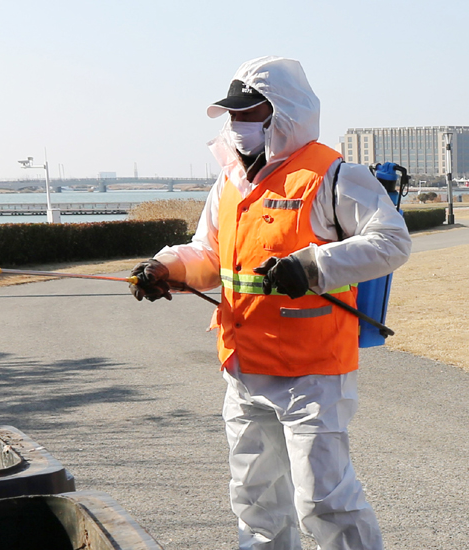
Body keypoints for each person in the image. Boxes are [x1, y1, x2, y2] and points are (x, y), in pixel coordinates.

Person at [130, 56, 411, 549]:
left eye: (248, 113)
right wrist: (166, 268)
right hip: (244, 368)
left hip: (311, 371)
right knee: (256, 500)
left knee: (325, 501)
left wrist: (312, 266)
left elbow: (391, 242)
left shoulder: (332, 175)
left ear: (282, 113)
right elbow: (210, 254)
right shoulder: (229, 182)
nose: (237, 124)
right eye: (233, 115)